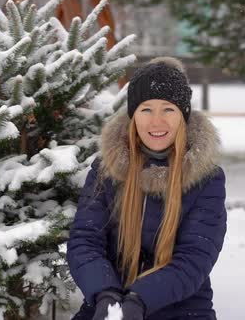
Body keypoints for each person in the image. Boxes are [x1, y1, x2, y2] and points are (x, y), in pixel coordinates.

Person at [67, 57, 227, 320]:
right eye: (146, 110)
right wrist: (104, 293)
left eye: (168, 109)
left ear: (183, 116)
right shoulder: (106, 170)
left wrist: (140, 299)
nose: (157, 122)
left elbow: (194, 258)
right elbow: (85, 240)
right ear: (133, 116)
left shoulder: (207, 179)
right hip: (107, 302)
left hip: (182, 308)